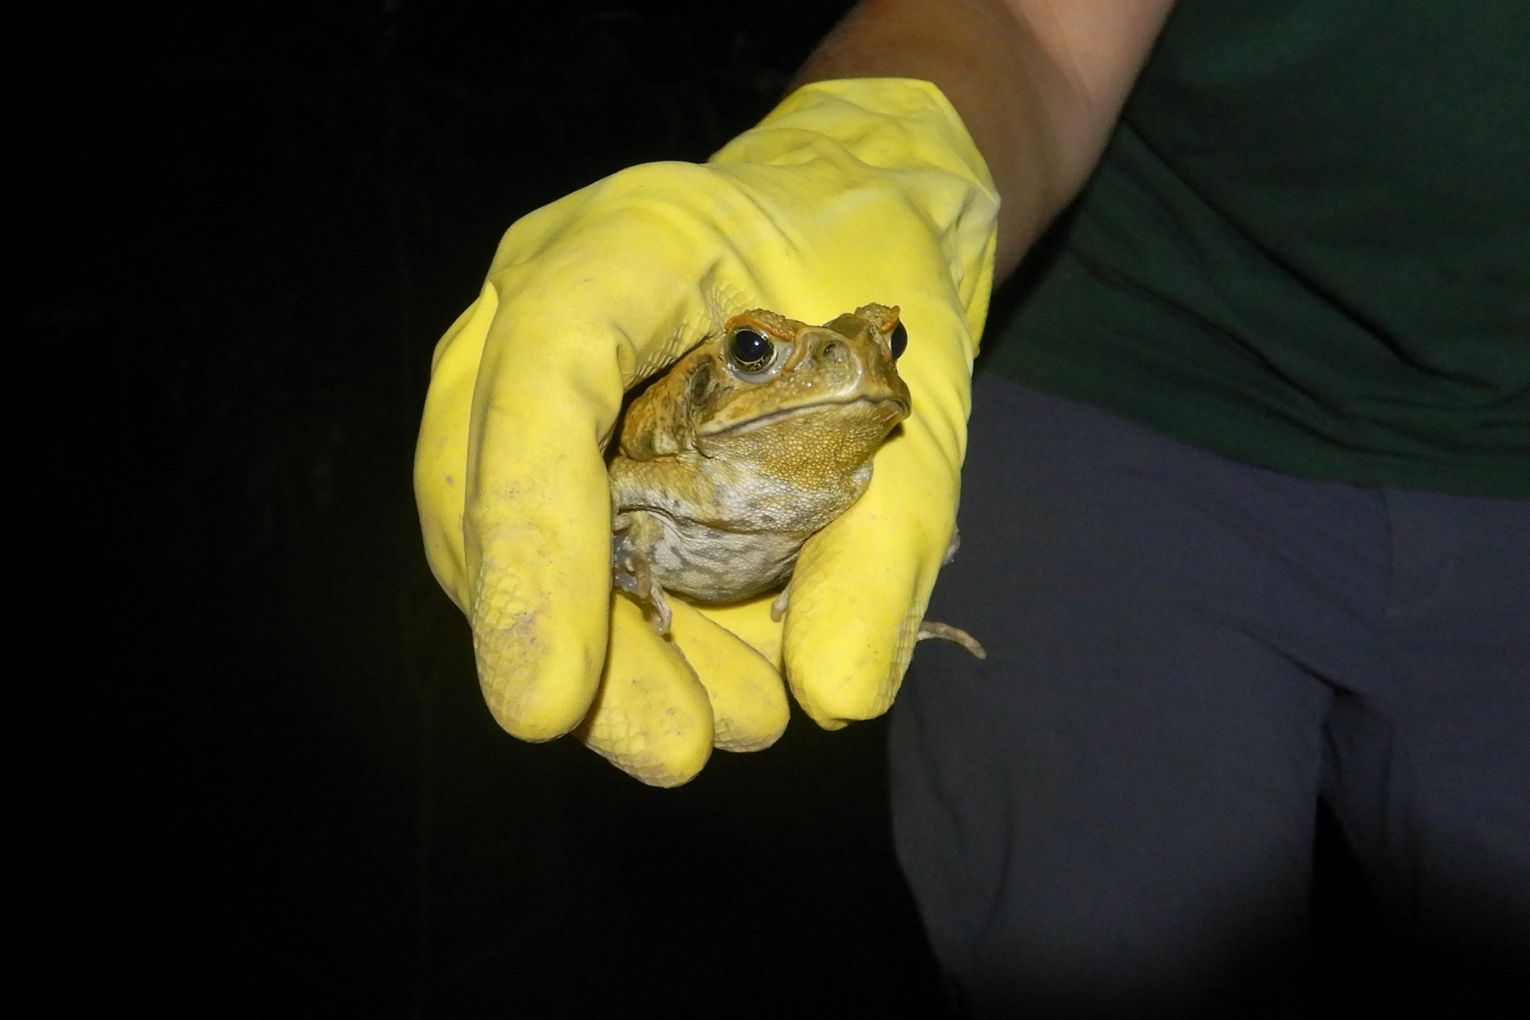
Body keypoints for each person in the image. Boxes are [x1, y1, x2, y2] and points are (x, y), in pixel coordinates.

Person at [416, 0, 1528, 1012]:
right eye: (762, 352)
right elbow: (1031, 23)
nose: (857, 364)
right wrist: (873, 149)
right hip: (1130, 374)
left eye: (878, 346)